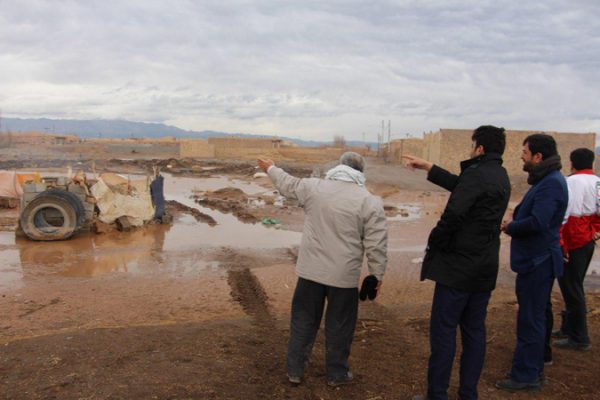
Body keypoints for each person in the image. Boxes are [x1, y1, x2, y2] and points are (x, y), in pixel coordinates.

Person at [257, 152, 387, 386]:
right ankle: (337, 374)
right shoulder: (369, 201)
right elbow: (376, 243)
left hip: (310, 273)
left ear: (339, 166)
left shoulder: (315, 188)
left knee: (303, 321)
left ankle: (295, 370)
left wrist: (271, 168)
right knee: (340, 327)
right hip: (343, 278)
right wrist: (376, 274)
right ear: (360, 173)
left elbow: (288, 184)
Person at [403, 125, 511, 400]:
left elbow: (454, 214)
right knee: (475, 332)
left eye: (472, 144)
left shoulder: (477, 175)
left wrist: (435, 240)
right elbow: (463, 186)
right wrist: (429, 167)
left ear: (480, 148)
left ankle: (437, 394)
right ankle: (468, 393)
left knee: (444, 332)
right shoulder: (500, 175)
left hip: (458, 270)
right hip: (484, 267)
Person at [495, 134, 568, 392]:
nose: (522, 156)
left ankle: (526, 375)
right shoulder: (548, 180)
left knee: (531, 320)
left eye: (525, 152)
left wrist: (511, 226)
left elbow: (539, 222)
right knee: (534, 317)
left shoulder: (551, 184)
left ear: (538, 156)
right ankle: (532, 369)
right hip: (538, 261)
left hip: (539, 262)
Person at [551, 148, 599, 351]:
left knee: (572, 287)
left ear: (572, 163)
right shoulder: (596, 181)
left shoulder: (571, 182)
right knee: (573, 284)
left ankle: (579, 337)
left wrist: (563, 245)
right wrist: (595, 230)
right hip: (587, 236)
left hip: (575, 237)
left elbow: (564, 215)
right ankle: (569, 328)